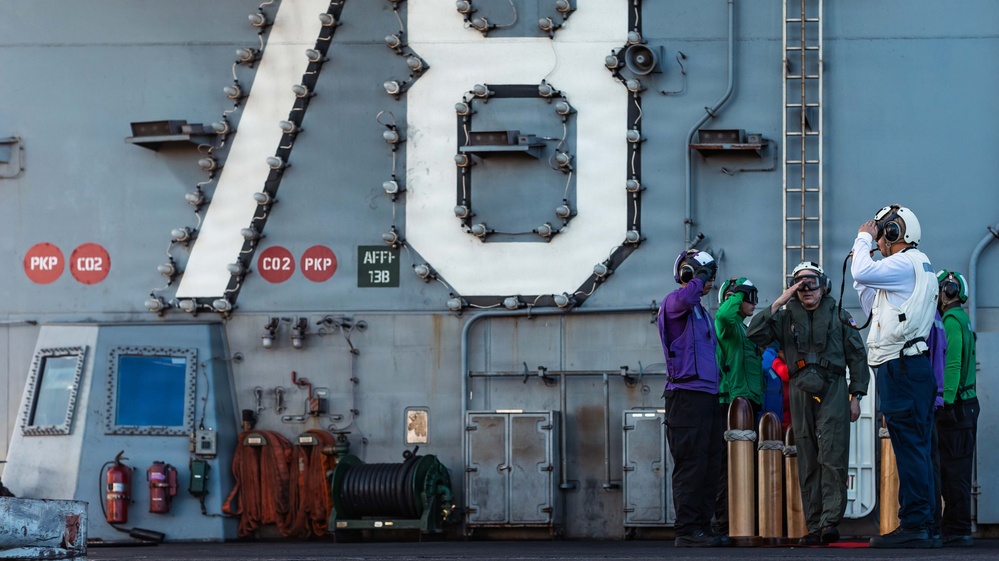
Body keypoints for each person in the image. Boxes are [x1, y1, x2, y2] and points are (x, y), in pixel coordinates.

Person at [747, 262, 869, 546]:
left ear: (824, 284)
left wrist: (856, 396)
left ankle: (829, 523)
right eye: (799, 283)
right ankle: (814, 525)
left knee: (832, 455)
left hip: (833, 389)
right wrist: (781, 299)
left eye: (811, 282)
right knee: (808, 459)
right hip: (801, 389)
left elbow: (857, 357)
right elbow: (754, 333)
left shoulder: (839, 315)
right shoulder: (785, 317)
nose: (806, 288)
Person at [851, 204, 939, 548]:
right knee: (918, 447)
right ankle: (926, 524)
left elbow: (860, 272)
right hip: (908, 367)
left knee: (909, 447)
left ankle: (915, 524)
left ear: (893, 232)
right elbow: (872, 302)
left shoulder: (904, 262)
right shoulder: (914, 267)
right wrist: (865, 262)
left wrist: (861, 239)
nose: (879, 239)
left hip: (901, 367)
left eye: (882, 232)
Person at [657, 249, 726, 547]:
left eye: (710, 276)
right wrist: (695, 278)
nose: (709, 282)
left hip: (708, 397)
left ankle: (702, 527)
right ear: (688, 275)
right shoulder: (675, 303)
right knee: (691, 464)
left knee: (710, 466)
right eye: (705, 276)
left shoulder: (701, 312)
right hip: (685, 397)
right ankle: (686, 530)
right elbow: (685, 297)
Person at [712, 277, 763, 536]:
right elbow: (722, 314)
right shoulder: (728, 327)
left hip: (748, 403)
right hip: (731, 405)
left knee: (748, 466)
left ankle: (744, 522)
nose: (753, 302)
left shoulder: (744, 331)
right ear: (734, 298)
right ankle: (723, 524)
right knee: (726, 467)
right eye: (748, 297)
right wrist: (736, 293)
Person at [935, 270, 978, 547]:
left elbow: (952, 363)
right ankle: (954, 526)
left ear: (947, 292)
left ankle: (958, 528)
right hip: (967, 405)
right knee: (955, 470)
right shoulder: (962, 317)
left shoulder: (950, 320)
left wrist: (946, 400)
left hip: (958, 406)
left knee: (953, 471)